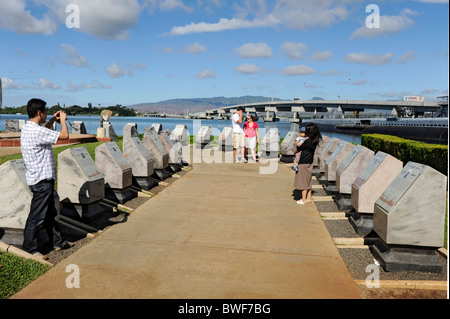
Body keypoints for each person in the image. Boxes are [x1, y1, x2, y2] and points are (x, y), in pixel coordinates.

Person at [20, 98, 72, 259]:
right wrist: (62, 121)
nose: (47, 114)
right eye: (46, 112)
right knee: (37, 216)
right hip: (42, 181)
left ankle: (57, 241)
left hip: (38, 179)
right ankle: (29, 248)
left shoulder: (29, 128)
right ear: (39, 112)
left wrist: (51, 121)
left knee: (51, 213)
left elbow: (44, 131)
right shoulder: (37, 131)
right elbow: (64, 136)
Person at [293, 123, 322, 205]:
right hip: (310, 161)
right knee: (308, 181)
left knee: (303, 181)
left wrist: (295, 151)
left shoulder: (307, 141)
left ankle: (303, 200)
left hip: (304, 162)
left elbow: (299, 148)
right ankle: (308, 198)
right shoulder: (314, 140)